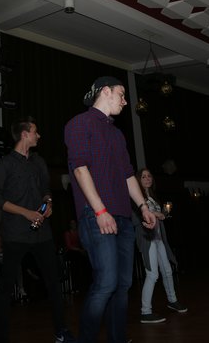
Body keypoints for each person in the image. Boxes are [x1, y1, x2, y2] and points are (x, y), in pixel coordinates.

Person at [64, 76, 156, 343]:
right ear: (105, 91)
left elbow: (128, 175)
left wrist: (143, 206)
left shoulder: (117, 134)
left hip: (124, 218)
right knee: (106, 282)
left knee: (123, 284)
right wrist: (100, 211)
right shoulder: (79, 123)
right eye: (122, 94)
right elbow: (80, 169)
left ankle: (117, 338)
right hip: (97, 215)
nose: (125, 101)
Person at [0, 116, 75, 343]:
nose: (39, 135)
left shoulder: (39, 162)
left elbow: (46, 190)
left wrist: (48, 204)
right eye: (35, 131)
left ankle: (61, 332)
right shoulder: (5, 164)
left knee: (54, 284)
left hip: (42, 233)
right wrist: (25, 212)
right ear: (24, 134)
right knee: (6, 288)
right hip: (15, 234)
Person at [134, 168, 187, 324]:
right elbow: (136, 218)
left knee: (167, 270)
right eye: (143, 176)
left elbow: (158, 217)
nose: (147, 178)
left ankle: (172, 300)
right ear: (138, 180)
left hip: (158, 239)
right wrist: (156, 214)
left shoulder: (152, 197)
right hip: (147, 239)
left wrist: (163, 212)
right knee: (152, 274)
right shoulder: (136, 199)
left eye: (149, 176)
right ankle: (145, 312)